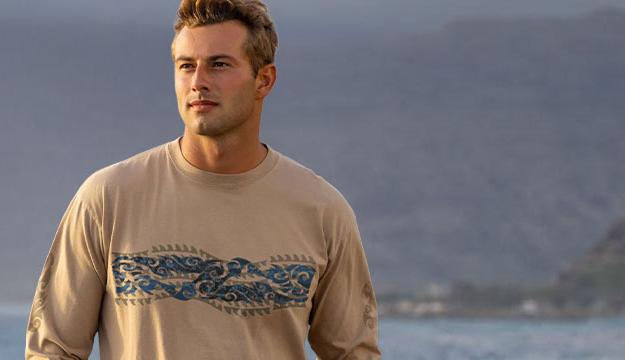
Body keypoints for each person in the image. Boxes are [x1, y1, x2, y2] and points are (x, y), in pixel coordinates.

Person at [23, 0, 380, 358]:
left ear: (264, 80)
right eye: (186, 66)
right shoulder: (108, 199)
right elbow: (53, 350)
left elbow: (354, 354)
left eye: (219, 65)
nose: (198, 82)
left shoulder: (322, 211)